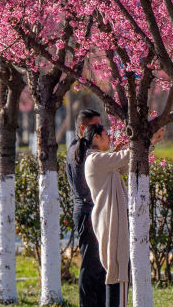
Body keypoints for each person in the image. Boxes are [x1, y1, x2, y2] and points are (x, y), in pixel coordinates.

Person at [82, 121, 165, 307]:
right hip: (111, 220)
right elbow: (126, 156)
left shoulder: (100, 160)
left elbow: (125, 164)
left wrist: (150, 145)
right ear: (96, 137)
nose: (110, 138)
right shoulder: (94, 160)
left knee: (117, 269)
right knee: (118, 271)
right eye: (106, 135)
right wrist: (150, 140)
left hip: (111, 219)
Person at [66, 109, 105, 307]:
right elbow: (84, 189)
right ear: (83, 129)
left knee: (101, 267)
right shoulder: (78, 152)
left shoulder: (89, 151)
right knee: (91, 266)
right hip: (87, 213)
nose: (99, 130)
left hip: (94, 212)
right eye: (95, 126)